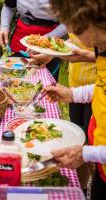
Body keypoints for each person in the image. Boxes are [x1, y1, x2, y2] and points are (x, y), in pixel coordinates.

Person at [42, 0, 106, 199]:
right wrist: (73, 94)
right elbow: (102, 86)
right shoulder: (102, 47)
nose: (74, 35)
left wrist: (86, 154)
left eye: (77, 28)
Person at [0, 0, 67, 81]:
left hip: (49, 47)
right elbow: (8, 7)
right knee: (10, 81)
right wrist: (4, 27)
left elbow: (69, 21)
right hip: (18, 42)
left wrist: (42, 41)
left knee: (44, 85)